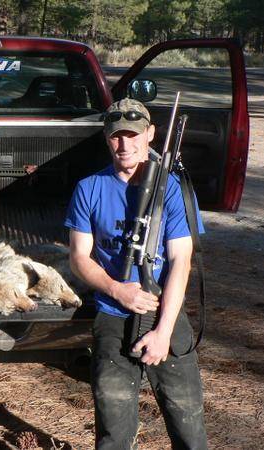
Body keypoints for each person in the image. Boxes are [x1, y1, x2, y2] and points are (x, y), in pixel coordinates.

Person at [65, 98, 207, 449]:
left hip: (166, 313)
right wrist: (117, 290)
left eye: (133, 135)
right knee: (113, 429)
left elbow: (180, 262)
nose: (124, 145)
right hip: (113, 316)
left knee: (188, 424)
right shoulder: (89, 188)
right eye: (116, 137)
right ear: (106, 138)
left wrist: (163, 331)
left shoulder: (172, 189)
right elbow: (79, 258)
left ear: (150, 135)